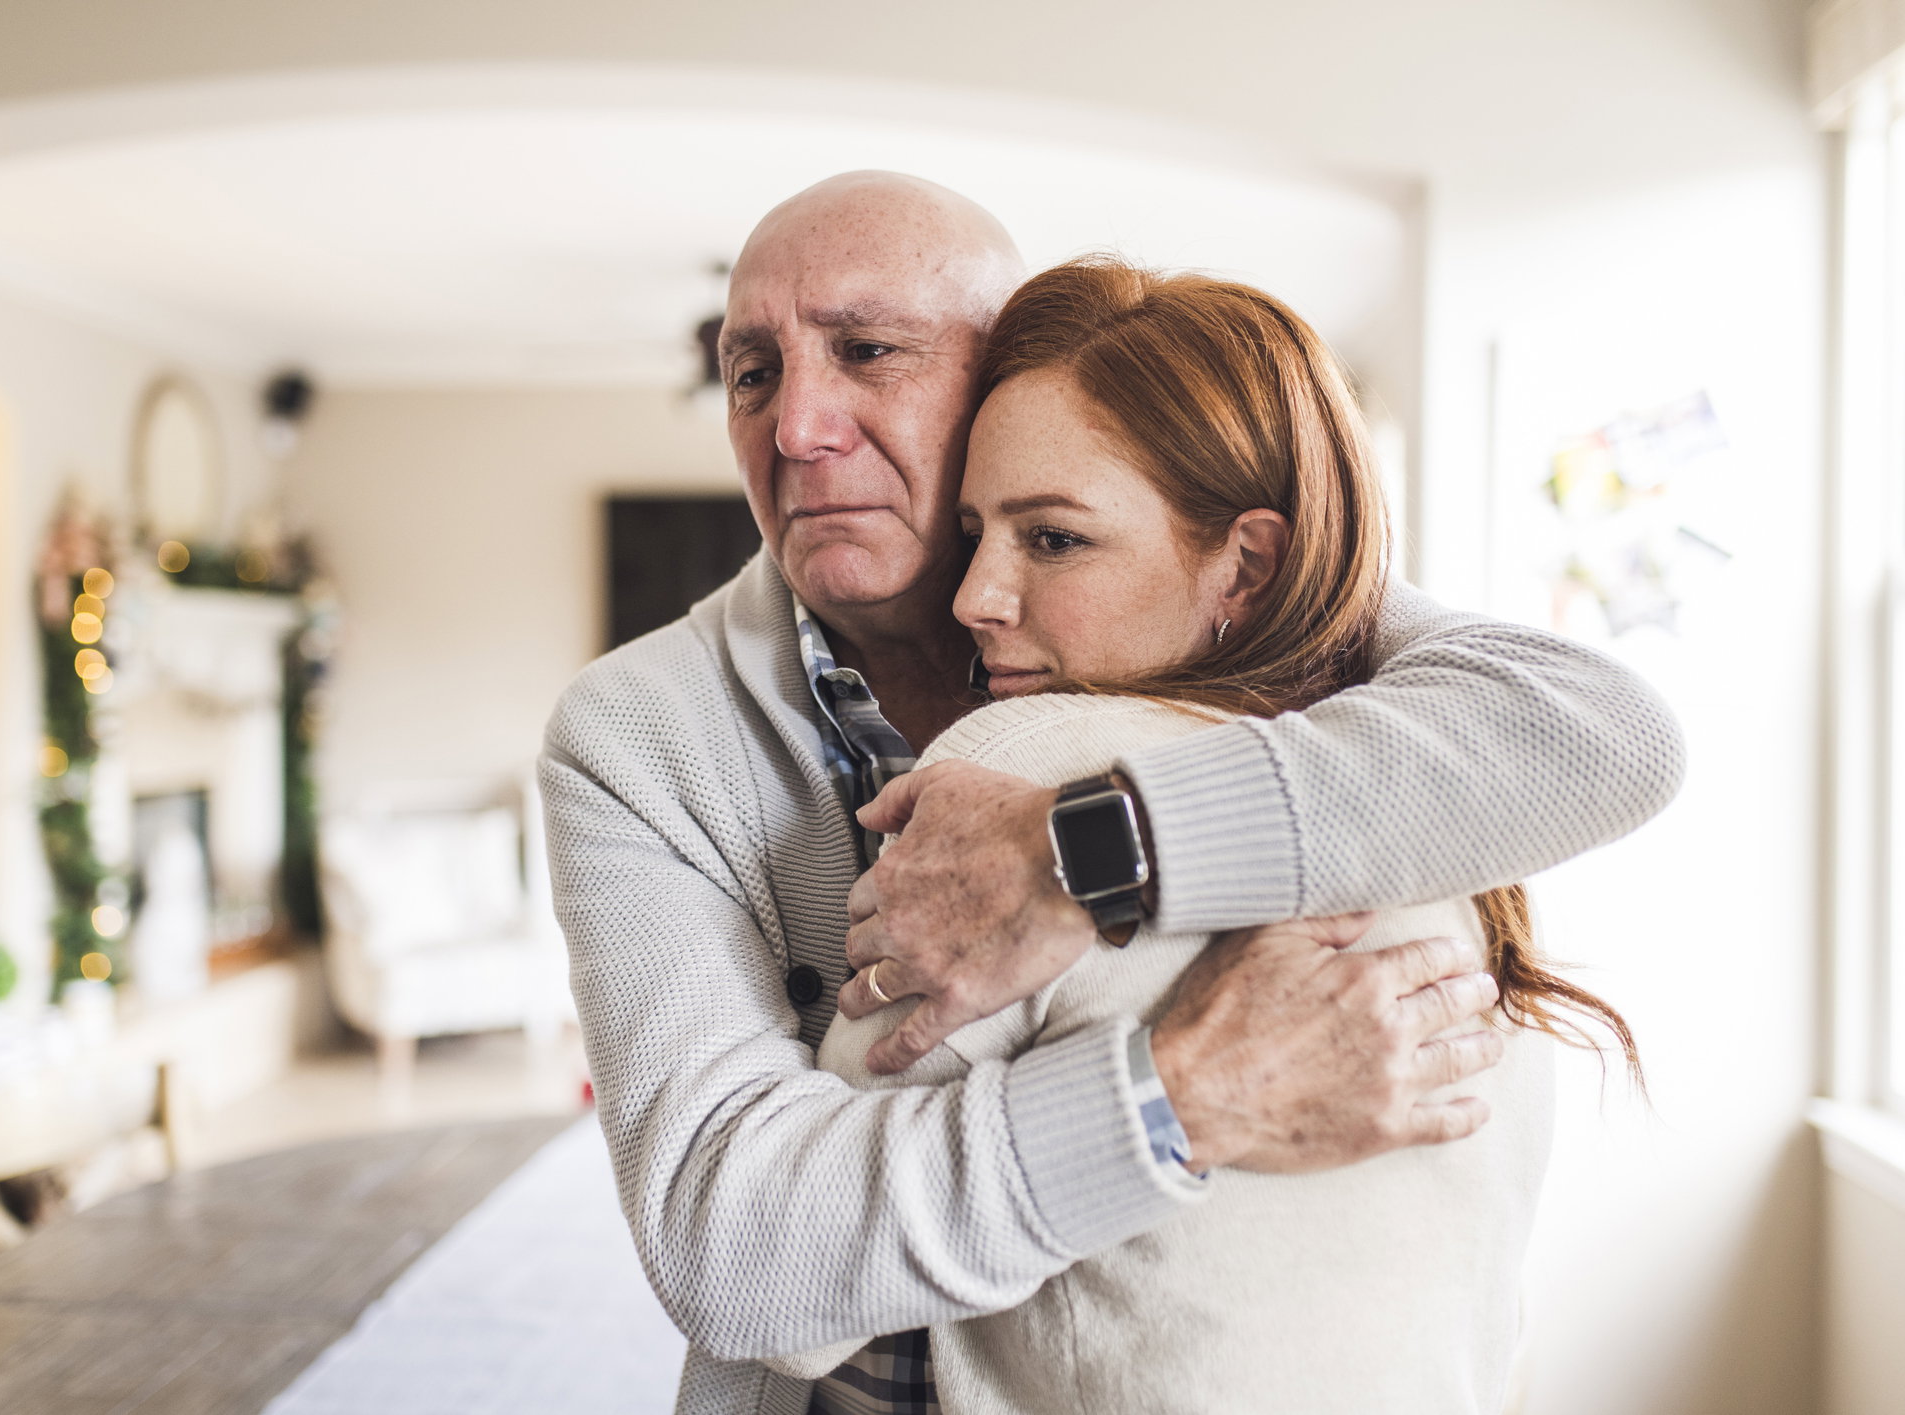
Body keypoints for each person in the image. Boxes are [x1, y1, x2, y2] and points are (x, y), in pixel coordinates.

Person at [539, 171, 1682, 1415]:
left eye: (868, 351)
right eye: (751, 369)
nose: (796, 425)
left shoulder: (1291, 638)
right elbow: (740, 1249)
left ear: (1001, 378)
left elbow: (1605, 729)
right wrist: (1182, 1095)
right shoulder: (634, 733)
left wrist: (1086, 852)